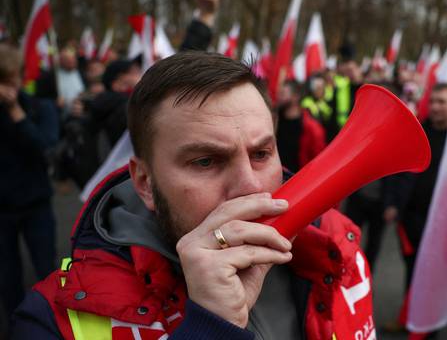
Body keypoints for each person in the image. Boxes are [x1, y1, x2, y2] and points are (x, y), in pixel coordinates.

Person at [11, 52, 376, 340]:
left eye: (261, 154)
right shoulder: (51, 322)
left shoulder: (339, 248)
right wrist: (211, 328)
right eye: (205, 161)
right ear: (145, 183)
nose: (251, 186)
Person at [382, 83, 447, 332]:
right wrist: (392, 202)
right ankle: (408, 318)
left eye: (442, 102)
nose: (435, 107)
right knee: (413, 271)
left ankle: (427, 326)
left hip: (443, 222)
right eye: (432, 101)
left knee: (433, 276)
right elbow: (396, 167)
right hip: (411, 219)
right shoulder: (418, 131)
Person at [0, 43, 58, 333]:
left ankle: (51, 324)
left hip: (36, 203)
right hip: (2, 209)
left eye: (10, 80)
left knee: (46, 269)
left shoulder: (39, 106)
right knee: (7, 276)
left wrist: (15, 112)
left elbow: (45, 148)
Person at [275, 80, 326, 173]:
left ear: (295, 97)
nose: (279, 97)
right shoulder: (274, 121)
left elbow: (318, 161)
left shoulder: (312, 128)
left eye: (283, 94)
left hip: (299, 179)